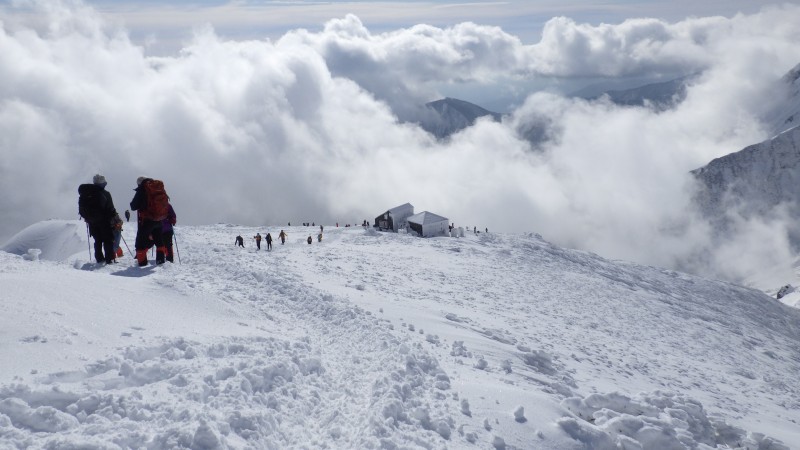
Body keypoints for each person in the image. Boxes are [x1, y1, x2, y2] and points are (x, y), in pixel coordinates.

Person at [80, 174, 118, 264]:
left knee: (98, 240)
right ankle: (109, 259)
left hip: (91, 221)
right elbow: (110, 208)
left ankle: (99, 259)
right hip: (104, 221)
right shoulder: (105, 194)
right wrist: (114, 217)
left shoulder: (87, 193)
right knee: (108, 240)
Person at [130, 176, 167, 266]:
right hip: (158, 219)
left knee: (140, 242)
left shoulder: (142, 189)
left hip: (146, 220)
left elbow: (133, 206)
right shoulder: (157, 188)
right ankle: (160, 262)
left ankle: (142, 264)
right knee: (159, 240)